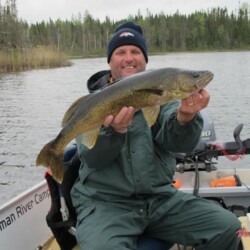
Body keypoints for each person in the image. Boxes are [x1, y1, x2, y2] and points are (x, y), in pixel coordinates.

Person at [70, 21, 241, 250]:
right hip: (106, 205)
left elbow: (180, 143)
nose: (128, 57)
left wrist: (185, 118)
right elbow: (93, 159)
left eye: (135, 51)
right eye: (120, 52)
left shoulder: (164, 97)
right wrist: (114, 131)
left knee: (228, 226)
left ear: (145, 59)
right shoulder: (95, 104)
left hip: (160, 200)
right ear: (109, 61)